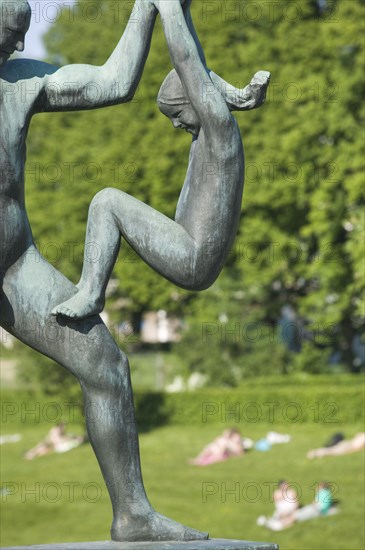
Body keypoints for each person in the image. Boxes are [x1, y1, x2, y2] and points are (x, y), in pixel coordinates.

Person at [0, 0, 211, 541]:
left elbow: (114, 83)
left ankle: (132, 514)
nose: (20, 46)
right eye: (10, 34)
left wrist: (148, 6)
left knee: (106, 364)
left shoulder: (21, 82)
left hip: (13, 264)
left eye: (24, 34)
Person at [51, 0, 270, 320]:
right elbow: (196, 60)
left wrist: (166, 8)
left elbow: (187, 61)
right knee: (106, 201)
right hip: (187, 243)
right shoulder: (207, 134)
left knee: (106, 202)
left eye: (177, 114)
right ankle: (89, 291)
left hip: (192, 256)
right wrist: (183, 8)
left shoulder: (220, 131)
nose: (176, 125)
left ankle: (91, 292)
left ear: (197, 102)